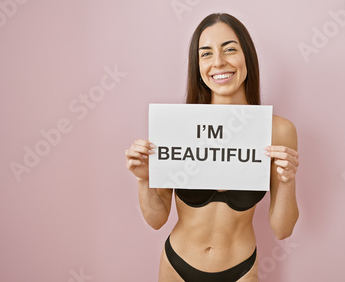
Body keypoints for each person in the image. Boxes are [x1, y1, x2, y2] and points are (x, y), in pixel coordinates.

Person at [126, 13, 299, 282]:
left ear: (247, 58)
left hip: (240, 270)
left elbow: (283, 229)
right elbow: (157, 219)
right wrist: (143, 178)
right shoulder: (177, 126)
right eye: (206, 54)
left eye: (230, 49)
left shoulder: (278, 131)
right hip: (176, 266)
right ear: (197, 66)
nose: (218, 62)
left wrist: (287, 182)